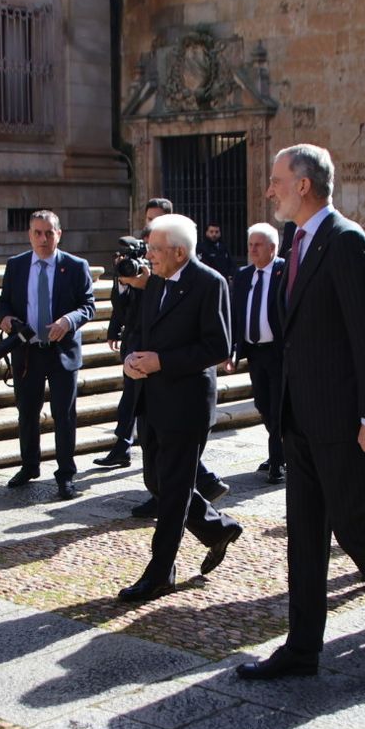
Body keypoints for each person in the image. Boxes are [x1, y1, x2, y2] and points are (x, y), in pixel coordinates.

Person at [236, 144, 365, 679]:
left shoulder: (347, 241)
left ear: (304, 184)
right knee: (305, 536)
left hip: (344, 423)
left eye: (277, 179)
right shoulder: (296, 241)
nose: (270, 189)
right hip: (300, 419)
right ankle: (303, 647)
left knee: (355, 527)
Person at [117, 214, 243, 601]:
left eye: (154, 248)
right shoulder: (154, 282)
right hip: (151, 398)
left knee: (172, 492)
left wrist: (162, 362)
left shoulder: (209, 283)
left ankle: (160, 572)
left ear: (179, 251)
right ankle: (216, 528)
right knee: (157, 482)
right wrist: (131, 359)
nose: (148, 254)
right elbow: (140, 331)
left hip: (186, 404)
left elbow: (218, 347)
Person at [0, 210, 95, 500]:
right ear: (29, 234)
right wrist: (6, 319)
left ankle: (66, 475)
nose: (43, 239)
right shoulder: (16, 266)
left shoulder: (76, 266)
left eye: (48, 233)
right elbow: (3, 304)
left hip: (62, 351)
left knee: (63, 415)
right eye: (37, 233)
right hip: (27, 353)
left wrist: (68, 321)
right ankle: (29, 466)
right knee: (27, 412)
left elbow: (88, 305)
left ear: (58, 235)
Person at [95, 197, 173, 471]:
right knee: (130, 393)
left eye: (157, 218)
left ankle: (128, 447)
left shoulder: (172, 253)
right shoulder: (137, 252)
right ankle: (122, 446)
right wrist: (125, 282)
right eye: (149, 218)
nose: (151, 223)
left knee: (139, 398)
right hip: (134, 337)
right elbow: (121, 299)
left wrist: (147, 282)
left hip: (157, 342)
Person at [227, 222, 286, 484]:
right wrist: (233, 350)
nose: (252, 249)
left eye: (258, 245)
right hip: (254, 352)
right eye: (250, 244)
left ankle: (277, 463)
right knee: (263, 404)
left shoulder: (285, 272)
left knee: (278, 407)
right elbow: (235, 316)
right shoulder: (243, 275)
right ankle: (280, 452)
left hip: (279, 352)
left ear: (273, 248)